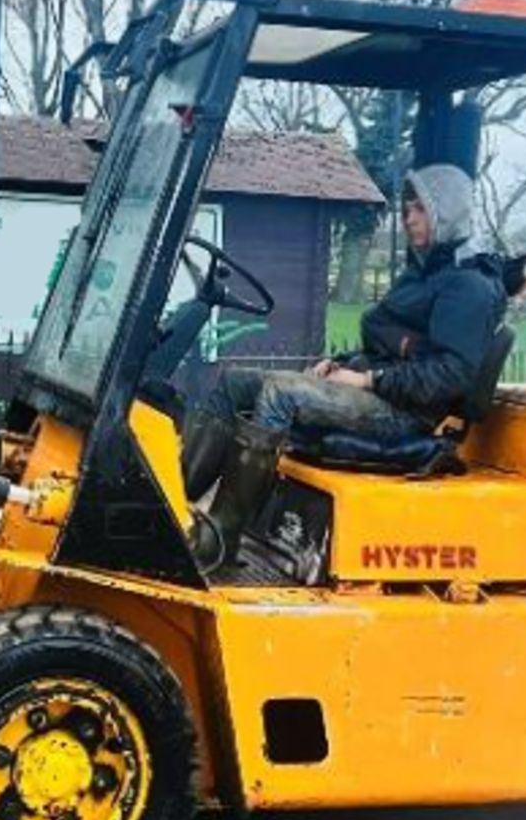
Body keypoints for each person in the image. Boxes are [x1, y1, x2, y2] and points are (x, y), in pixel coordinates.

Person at [184, 163, 505, 570]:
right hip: (379, 387)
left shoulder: (468, 286)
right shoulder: (424, 275)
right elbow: (384, 342)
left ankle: (221, 539)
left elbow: (448, 376)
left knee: (280, 393)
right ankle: (176, 504)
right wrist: (342, 364)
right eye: (406, 209)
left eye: (419, 209)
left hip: (403, 412)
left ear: (447, 211)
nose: (408, 218)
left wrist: (370, 379)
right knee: (236, 384)